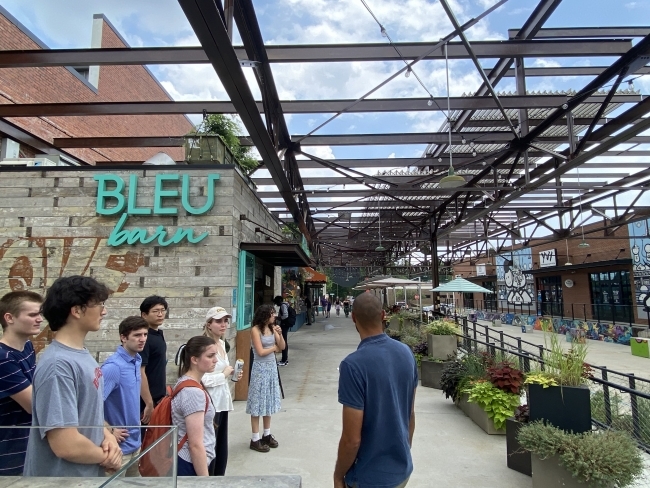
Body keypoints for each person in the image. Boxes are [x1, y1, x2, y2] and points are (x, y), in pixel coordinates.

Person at [24, 276, 122, 477]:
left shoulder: (81, 355)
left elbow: (86, 414)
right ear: (76, 310)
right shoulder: (58, 365)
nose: (104, 311)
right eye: (98, 304)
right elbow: (65, 445)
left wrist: (108, 436)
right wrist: (108, 458)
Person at [334, 293, 417, 488]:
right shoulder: (406, 353)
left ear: (353, 318)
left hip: (368, 478)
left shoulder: (352, 365)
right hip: (402, 472)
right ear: (382, 315)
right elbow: (410, 414)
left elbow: (351, 439)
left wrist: (339, 476)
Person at [0, 291, 43, 475]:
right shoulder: (3, 358)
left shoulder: (26, 346)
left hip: (27, 446)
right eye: (33, 314)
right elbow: (34, 404)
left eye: (40, 313)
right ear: (9, 318)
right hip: (8, 453)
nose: (40, 319)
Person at [101, 316, 149, 477]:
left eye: (145, 334)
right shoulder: (112, 367)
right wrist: (109, 429)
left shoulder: (137, 359)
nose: (142, 339)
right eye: (137, 335)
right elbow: (90, 405)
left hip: (135, 445)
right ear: (123, 337)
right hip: (118, 449)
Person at [202, 306, 242, 476]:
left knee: (221, 445)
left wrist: (231, 374)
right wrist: (224, 374)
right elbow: (201, 378)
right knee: (209, 446)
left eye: (225, 321)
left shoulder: (222, 343)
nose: (223, 324)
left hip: (222, 401)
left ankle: (219, 477)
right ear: (209, 324)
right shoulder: (203, 345)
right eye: (218, 321)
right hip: (209, 403)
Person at [172, 336, 218, 476]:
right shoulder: (193, 393)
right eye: (210, 356)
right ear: (194, 359)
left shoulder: (185, 381)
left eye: (215, 355)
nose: (215, 360)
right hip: (190, 463)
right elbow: (195, 444)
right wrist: (204, 480)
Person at [247, 304, 285, 453]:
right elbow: (261, 351)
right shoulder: (255, 330)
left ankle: (267, 434)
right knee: (257, 402)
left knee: (268, 400)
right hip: (259, 368)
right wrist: (274, 349)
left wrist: (279, 334)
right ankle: (255, 438)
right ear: (264, 315)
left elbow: (282, 346)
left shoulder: (273, 328)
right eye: (272, 314)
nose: (274, 316)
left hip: (271, 368)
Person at [139, 296, 168, 424]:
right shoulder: (144, 339)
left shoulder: (158, 334)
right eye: (155, 311)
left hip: (159, 397)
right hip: (145, 400)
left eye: (163, 310)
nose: (160, 314)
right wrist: (148, 402)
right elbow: (140, 371)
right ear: (144, 315)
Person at [273, 296, 292, 366]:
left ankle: (284, 359)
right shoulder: (285, 305)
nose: (276, 304)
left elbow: (285, 315)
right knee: (284, 341)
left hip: (284, 325)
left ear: (279, 301)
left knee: (284, 341)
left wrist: (278, 318)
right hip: (284, 325)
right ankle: (284, 359)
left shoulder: (283, 306)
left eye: (276, 302)